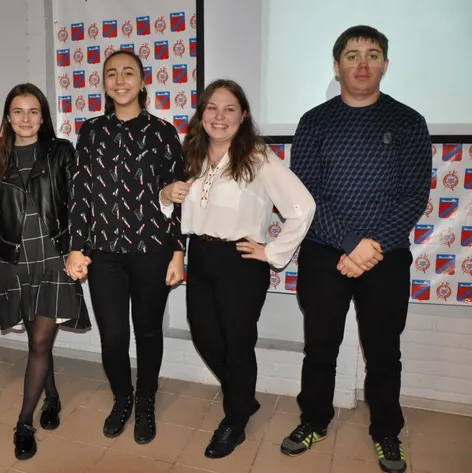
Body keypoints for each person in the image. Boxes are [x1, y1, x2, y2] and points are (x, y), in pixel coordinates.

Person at [280, 26, 431, 473]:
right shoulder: (314, 122)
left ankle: (386, 431)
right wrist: (350, 244)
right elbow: (305, 196)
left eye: (372, 55)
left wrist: (371, 246)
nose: (362, 64)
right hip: (324, 252)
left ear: (385, 64)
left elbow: (413, 196)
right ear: (337, 66)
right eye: (352, 55)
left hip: (386, 255)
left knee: (384, 351)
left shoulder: (408, 121)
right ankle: (314, 420)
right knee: (320, 346)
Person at [162, 79, 316, 458]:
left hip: (241, 262)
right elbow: (174, 208)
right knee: (204, 335)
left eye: (229, 109)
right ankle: (243, 396)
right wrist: (166, 195)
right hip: (200, 254)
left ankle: (235, 421)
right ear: (201, 114)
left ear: (243, 116)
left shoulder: (257, 157)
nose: (220, 116)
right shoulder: (192, 155)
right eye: (212, 108)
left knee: (237, 341)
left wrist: (273, 251)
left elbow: (303, 207)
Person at [66, 50, 186, 445]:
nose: (120, 81)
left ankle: (146, 400)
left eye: (128, 73)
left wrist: (178, 251)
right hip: (104, 253)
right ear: (103, 83)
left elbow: (177, 196)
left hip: (152, 249)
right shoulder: (91, 131)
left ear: (143, 81)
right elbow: (81, 193)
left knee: (148, 331)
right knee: (113, 336)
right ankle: (123, 397)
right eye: (112, 74)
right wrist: (76, 247)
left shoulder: (163, 132)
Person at [0, 83, 90, 460]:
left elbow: (78, 204)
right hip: (17, 259)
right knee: (36, 341)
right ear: (8, 117)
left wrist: (78, 248)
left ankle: (24, 423)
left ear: (43, 117)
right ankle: (52, 396)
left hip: (54, 257)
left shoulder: (61, 151)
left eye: (33, 111)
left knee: (41, 341)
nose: (25, 119)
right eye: (18, 111)